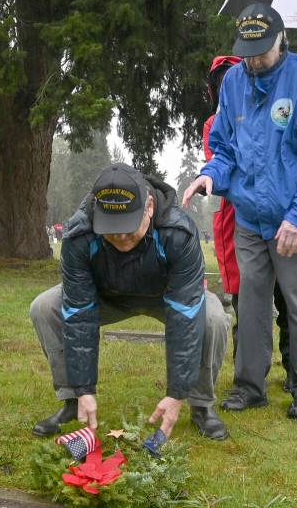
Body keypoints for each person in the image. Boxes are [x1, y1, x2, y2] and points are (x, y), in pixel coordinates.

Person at [183, 3, 297, 420]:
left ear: (280, 41)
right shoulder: (234, 82)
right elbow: (225, 146)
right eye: (247, 50)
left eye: (261, 50)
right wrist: (210, 176)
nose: (254, 59)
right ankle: (249, 386)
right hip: (251, 218)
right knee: (250, 305)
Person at [30, 163, 230, 441]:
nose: (121, 237)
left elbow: (186, 311)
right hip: (106, 296)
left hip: (166, 296)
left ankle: (201, 405)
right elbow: (78, 311)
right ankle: (73, 401)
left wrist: (176, 393)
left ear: (148, 207)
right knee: (45, 307)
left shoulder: (178, 231)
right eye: (111, 229)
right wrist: (84, 387)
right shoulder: (80, 234)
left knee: (212, 317)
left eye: (127, 226)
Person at [201, 55, 294, 392]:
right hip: (238, 220)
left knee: (288, 298)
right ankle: (249, 378)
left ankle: (295, 373)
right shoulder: (215, 124)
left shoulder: (272, 110)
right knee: (247, 303)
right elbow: (224, 163)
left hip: (280, 214)